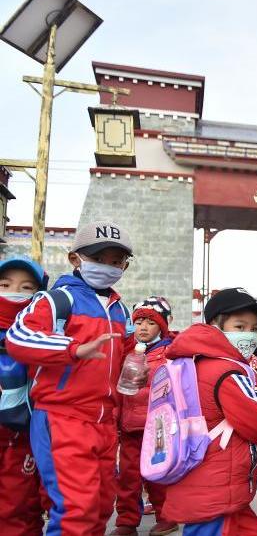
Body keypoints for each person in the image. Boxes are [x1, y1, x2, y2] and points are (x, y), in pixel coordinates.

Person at [6, 221, 136, 535]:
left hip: (105, 423)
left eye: (116, 261)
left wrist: (137, 370)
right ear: (75, 259)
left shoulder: (121, 310)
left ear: (125, 265)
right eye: (98, 258)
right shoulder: (55, 300)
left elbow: (129, 355)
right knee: (75, 511)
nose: (107, 266)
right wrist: (72, 349)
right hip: (63, 417)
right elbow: (18, 338)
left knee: (101, 508)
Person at [160, 287, 257, 535]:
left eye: (254, 329)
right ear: (215, 327)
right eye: (239, 327)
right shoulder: (227, 372)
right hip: (216, 490)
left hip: (210, 484)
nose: (249, 335)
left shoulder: (196, 362)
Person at [111, 296, 177, 536]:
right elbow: (117, 388)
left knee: (158, 476)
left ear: (163, 325)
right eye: (139, 322)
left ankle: (167, 517)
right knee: (127, 477)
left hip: (158, 426)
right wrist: (116, 418)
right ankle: (127, 522)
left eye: (151, 323)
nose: (143, 328)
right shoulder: (126, 350)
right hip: (130, 427)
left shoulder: (170, 352)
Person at [0, 257, 48, 535]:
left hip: (25, 434)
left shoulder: (45, 336)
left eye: (26, 287)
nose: (13, 292)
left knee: (20, 503)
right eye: (4, 285)